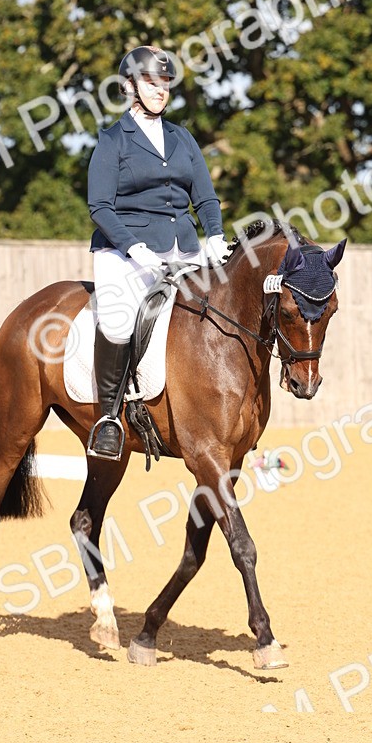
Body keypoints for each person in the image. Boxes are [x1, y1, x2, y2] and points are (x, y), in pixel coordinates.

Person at [86, 45, 231, 458]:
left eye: (165, 82)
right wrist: (134, 248)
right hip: (123, 250)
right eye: (151, 82)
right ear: (130, 86)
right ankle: (109, 418)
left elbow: (205, 198)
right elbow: (100, 207)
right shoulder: (113, 141)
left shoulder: (181, 138)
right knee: (116, 321)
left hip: (183, 249)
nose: (160, 89)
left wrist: (216, 236)